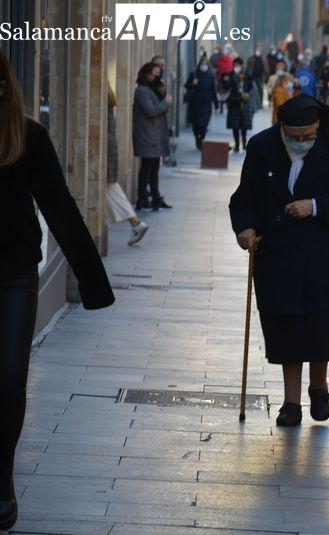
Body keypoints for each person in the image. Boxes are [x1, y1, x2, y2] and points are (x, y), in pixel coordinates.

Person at [0, 51, 115, 532]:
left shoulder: (27, 136)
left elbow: (60, 207)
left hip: (13, 275)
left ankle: (0, 479)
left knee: (8, 379)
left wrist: (92, 281)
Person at [229, 94, 329, 426]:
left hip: (319, 254)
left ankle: (319, 389)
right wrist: (245, 228)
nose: (302, 142)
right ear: (282, 126)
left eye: (309, 135)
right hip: (276, 255)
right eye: (295, 136)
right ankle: (291, 402)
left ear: (318, 127)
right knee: (285, 331)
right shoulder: (262, 147)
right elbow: (243, 198)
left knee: (318, 330)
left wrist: (316, 205)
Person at [107, 85, 149, 245]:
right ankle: (136, 222)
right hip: (109, 146)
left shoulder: (102, 93)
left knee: (109, 188)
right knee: (109, 188)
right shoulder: (109, 93)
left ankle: (136, 222)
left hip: (104, 148)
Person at [133, 62, 173, 211]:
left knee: (154, 167)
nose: (156, 76)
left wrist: (161, 92)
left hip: (154, 136)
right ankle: (142, 198)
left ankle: (155, 197)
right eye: (154, 73)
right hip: (147, 136)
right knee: (147, 167)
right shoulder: (141, 91)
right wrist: (166, 103)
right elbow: (150, 110)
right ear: (146, 74)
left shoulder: (151, 89)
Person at [221, 58, 254, 153]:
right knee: (235, 125)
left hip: (244, 102)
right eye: (235, 65)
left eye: (238, 65)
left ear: (241, 65)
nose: (236, 67)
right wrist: (225, 80)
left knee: (244, 125)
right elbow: (226, 86)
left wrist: (247, 94)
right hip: (233, 102)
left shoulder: (247, 74)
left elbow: (251, 86)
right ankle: (236, 144)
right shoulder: (230, 75)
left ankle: (244, 143)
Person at [184, 58, 218, 150]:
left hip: (206, 101)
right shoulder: (194, 75)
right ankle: (197, 137)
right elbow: (187, 86)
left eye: (205, 64)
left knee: (204, 122)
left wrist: (216, 103)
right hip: (195, 100)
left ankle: (202, 137)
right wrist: (193, 83)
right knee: (195, 122)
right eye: (202, 64)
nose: (204, 66)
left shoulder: (210, 76)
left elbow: (213, 90)